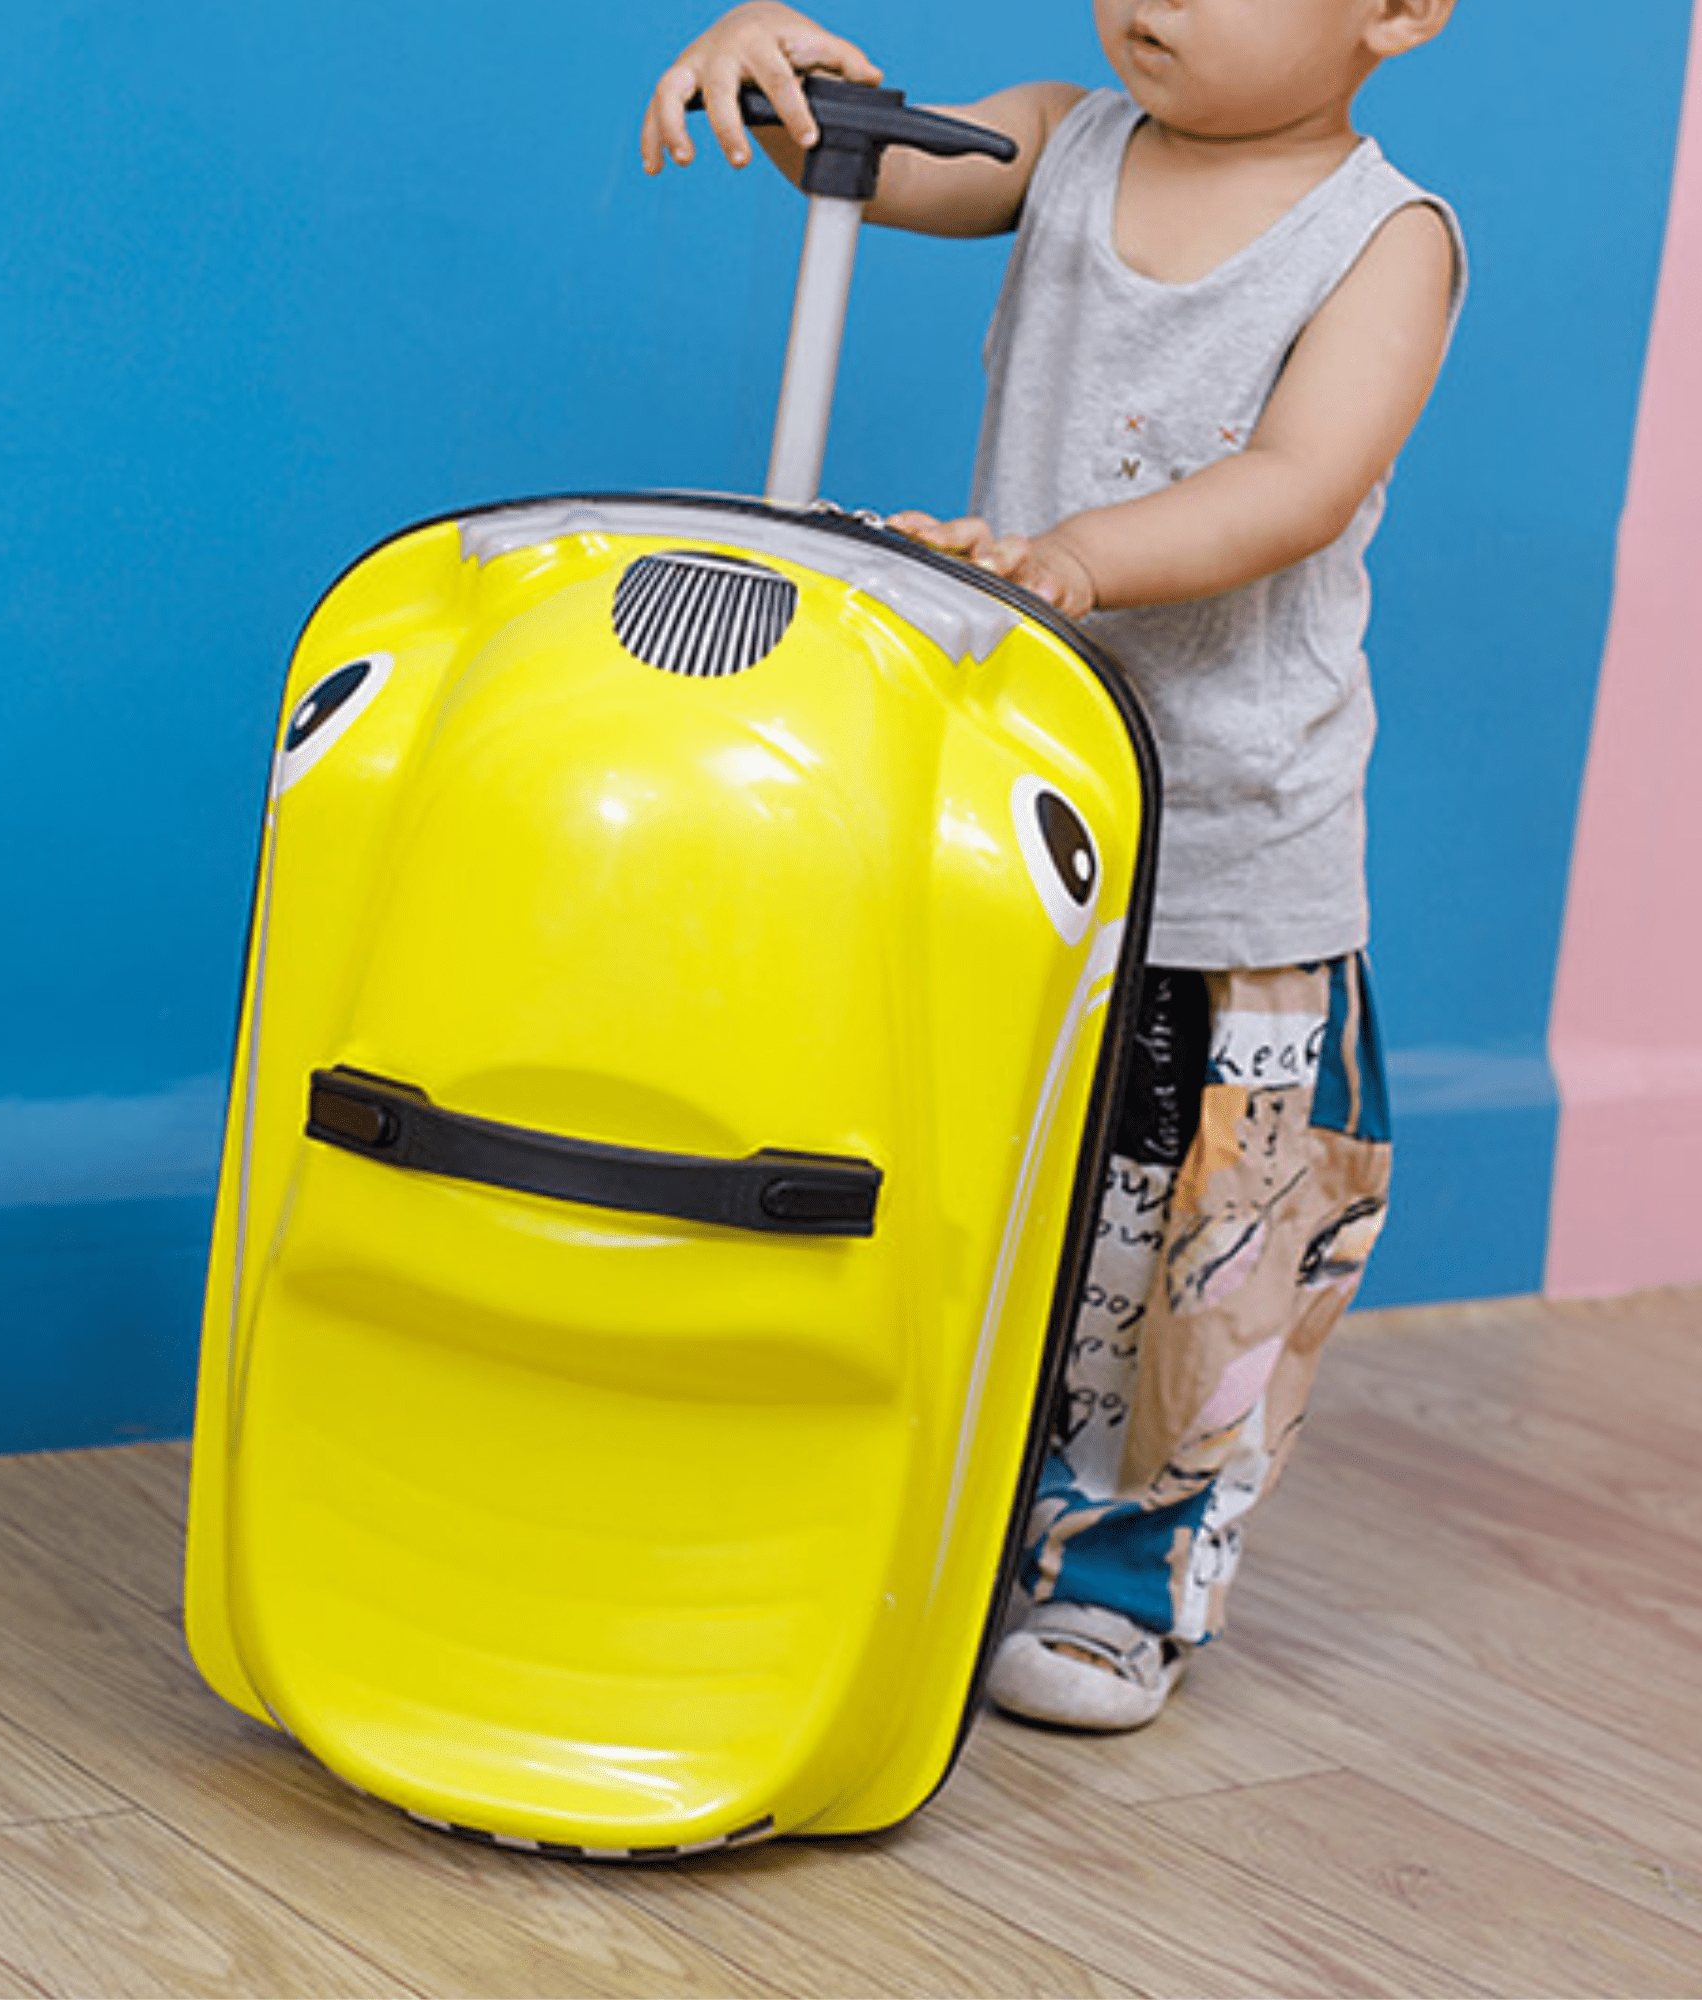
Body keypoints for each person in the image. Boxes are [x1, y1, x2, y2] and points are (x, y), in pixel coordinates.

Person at [643, 0, 1465, 1732]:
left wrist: (1078, 558)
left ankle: (1126, 1579)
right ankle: (943, 1511)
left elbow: (1303, 480)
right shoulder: (1062, 136)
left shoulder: (1385, 240)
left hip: (1232, 844)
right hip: (1026, 816)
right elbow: (883, 169)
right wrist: (787, 90)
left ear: (1399, 12)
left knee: (1207, 1244)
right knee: (1004, 1198)